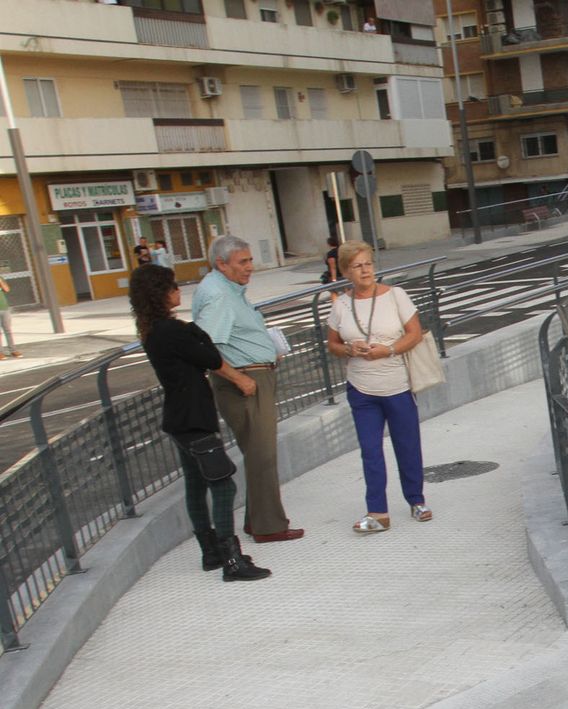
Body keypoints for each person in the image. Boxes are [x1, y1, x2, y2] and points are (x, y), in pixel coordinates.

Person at [129, 265, 270, 582]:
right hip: (194, 420)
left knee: (196, 485)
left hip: (180, 419)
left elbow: (203, 345)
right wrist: (240, 380)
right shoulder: (172, 331)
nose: (179, 291)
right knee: (223, 483)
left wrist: (196, 334)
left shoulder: (154, 330)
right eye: (173, 286)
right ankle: (232, 561)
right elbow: (210, 356)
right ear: (161, 293)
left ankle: (211, 553)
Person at [193, 234, 304, 542]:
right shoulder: (219, 295)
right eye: (243, 262)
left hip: (253, 377)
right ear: (221, 264)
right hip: (246, 382)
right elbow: (205, 348)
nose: (250, 267)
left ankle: (257, 521)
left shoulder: (228, 290)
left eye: (250, 260)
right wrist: (239, 378)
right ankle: (269, 526)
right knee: (262, 455)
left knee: (259, 453)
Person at [324, 241, 433, 533]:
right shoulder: (341, 305)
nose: (365, 270)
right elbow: (331, 343)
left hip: (397, 384)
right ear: (346, 271)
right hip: (361, 389)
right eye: (358, 266)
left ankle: (416, 500)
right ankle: (378, 512)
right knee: (370, 450)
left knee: (407, 445)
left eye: (368, 263)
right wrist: (349, 348)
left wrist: (390, 351)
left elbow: (415, 334)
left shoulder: (395, 295)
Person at [0, 276, 18, 359]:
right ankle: (0, 352)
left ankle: (13, 350)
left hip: (4, 308)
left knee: (8, 330)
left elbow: (7, 289)